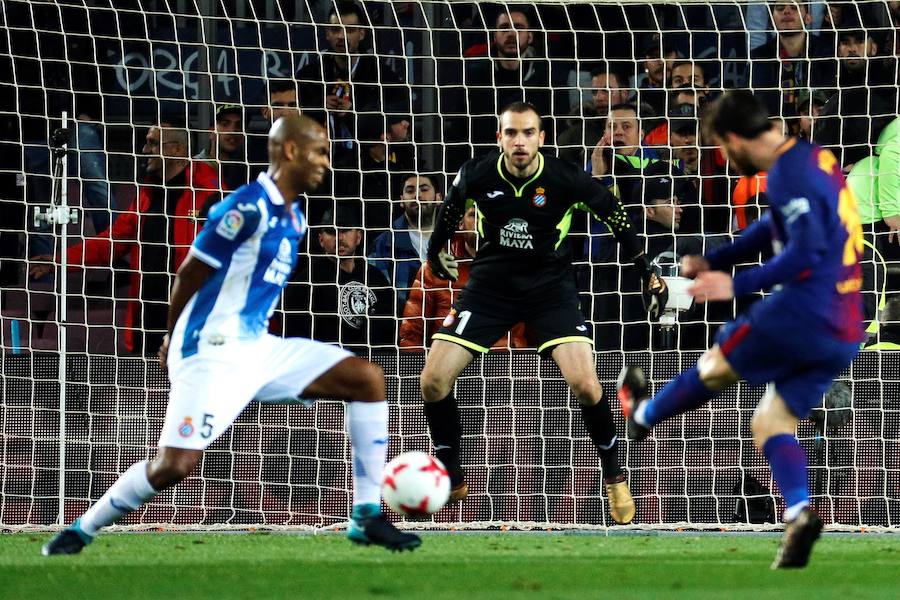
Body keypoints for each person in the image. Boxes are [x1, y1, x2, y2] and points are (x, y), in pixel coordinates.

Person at [42, 114, 421, 555]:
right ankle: (81, 529)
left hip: (257, 347)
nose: (326, 162)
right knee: (175, 466)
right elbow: (187, 274)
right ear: (291, 151)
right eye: (319, 152)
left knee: (367, 379)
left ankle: (366, 515)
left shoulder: (296, 215)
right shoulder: (244, 209)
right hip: (210, 350)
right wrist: (171, 337)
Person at [618, 90, 864, 568]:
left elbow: (804, 252)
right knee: (770, 423)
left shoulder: (787, 175)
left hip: (804, 312)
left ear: (733, 139)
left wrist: (735, 284)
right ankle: (798, 512)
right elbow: (773, 227)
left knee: (715, 364)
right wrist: (715, 257)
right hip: (845, 324)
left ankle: (642, 417)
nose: (726, 160)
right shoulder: (816, 158)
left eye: (723, 150)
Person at [419, 101, 668, 524]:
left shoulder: (565, 179)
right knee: (432, 380)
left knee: (586, 385)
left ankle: (614, 475)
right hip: (489, 288)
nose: (520, 141)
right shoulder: (477, 173)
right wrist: (434, 251)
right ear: (499, 138)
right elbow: (448, 210)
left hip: (550, 290)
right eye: (512, 133)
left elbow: (617, 218)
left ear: (542, 138)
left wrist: (646, 271)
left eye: (528, 133)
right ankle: (452, 469)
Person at [29, 122, 223, 355]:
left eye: (152, 143)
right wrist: (60, 260)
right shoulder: (147, 194)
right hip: (147, 319)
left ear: (177, 150)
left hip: (194, 320)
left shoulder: (211, 192)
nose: (144, 150)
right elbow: (114, 240)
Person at [399, 206, 527, 351]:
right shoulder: (435, 268)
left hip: (508, 364)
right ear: (460, 223)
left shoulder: (521, 268)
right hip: (449, 363)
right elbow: (411, 336)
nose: (481, 222)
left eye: (488, 216)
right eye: (474, 215)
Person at [297, 0, 404, 163]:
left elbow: (397, 120)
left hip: (369, 165)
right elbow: (295, 117)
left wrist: (354, 111)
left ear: (361, 33)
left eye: (350, 30)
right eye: (336, 30)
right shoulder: (309, 76)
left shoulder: (383, 76)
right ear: (327, 34)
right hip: (320, 163)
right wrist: (320, 106)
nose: (341, 36)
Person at [281, 205, 395, 355]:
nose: (340, 238)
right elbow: (295, 338)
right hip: (326, 368)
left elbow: (388, 331)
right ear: (321, 239)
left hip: (372, 366)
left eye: (346, 230)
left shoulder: (376, 279)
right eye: (331, 232)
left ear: (359, 236)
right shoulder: (304, 284)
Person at [750, 2, 837, 122]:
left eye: (794, 7)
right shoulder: (759, 57)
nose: (787, 11)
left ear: (808, 17)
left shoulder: (827, 54)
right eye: (780, 8)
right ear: (771, 20)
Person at [369, 173, 443, 311]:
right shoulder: (383, 245)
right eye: (410, 191)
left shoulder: (456, 239)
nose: (417, 195)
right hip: (402, 327)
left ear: (438, 198)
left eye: (424, 189)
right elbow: (381, 301)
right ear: (402, 201)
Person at [557, 64, 630, 168]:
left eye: (606, 91)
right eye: (594, 92)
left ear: (624, 94)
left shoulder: (644, 127)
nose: (598, 98)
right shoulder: (575, 136)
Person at [195, 103, 247, 190]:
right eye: (225, 124)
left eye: (239, 125)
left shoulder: (250, 170)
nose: (233, 130)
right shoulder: (194, 168)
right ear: (211, 132)